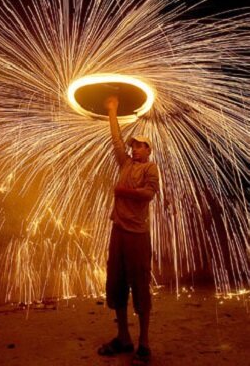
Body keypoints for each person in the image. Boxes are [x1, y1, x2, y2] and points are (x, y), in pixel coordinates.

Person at [97, 95, 159, 365]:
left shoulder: (151, 169)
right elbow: (116, 140)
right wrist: (113, 111)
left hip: (137, 236)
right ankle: (123, 337)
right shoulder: (125, 163)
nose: (135, 149)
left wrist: (124, 191)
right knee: (116, 285)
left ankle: (144, 343)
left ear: (149, 150)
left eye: (141, 147)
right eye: (134, 146)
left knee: (140, 288)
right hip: (119, 233)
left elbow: (149, 194)